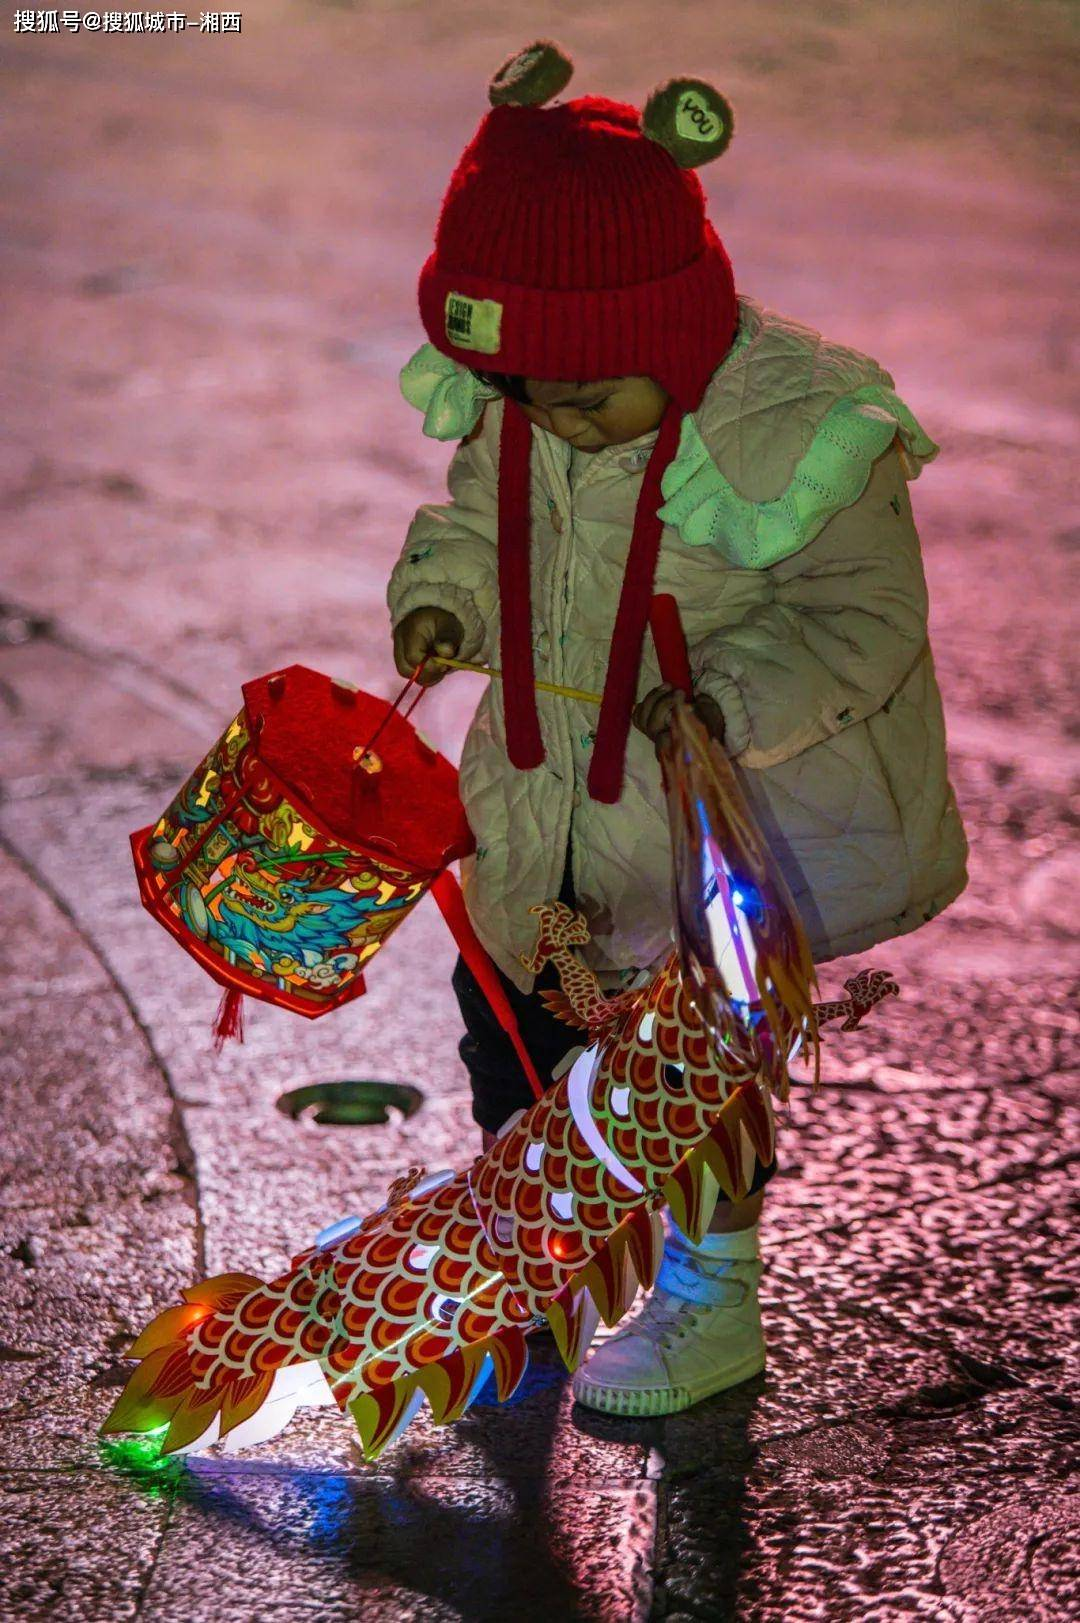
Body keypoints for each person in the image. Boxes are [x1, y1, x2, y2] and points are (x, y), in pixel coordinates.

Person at [386, 41, 967, 1418]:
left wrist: (722, 702)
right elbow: (469, 523)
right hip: (540, 813)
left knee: (694, 1083)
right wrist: (442, 602)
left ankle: (713, 1297)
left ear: (670, 338)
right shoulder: (533, 400)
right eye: (530, 397)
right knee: (513, 1044)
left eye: (591, 400)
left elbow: (864, 616)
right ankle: (531, 1263)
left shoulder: (800, 433)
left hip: (708, 826)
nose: (560, 424)